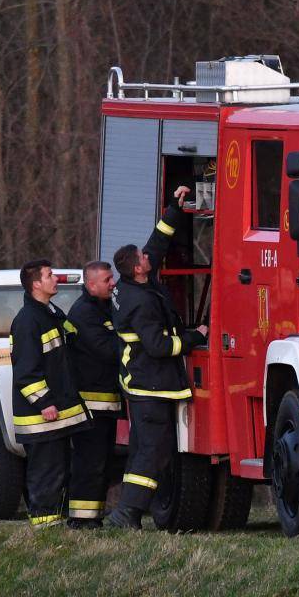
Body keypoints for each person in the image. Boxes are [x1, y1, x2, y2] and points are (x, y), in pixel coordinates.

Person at [106, 187, 207, 530]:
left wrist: (173, 210)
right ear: (137, 269)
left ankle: (127, 511)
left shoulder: (130, 284)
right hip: (151, 387)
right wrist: (196, 337)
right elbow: (160, 346)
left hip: (142, 385)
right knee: (153, 453)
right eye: (143, 258)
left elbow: (156, 244)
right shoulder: (141, 303)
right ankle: (127, 512)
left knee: (143, 451)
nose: (148, 258)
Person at [9, 259, 87, 528]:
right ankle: (44, 524)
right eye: (50, 275)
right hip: (40, 417)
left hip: (56, 413)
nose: (56, 278)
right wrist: (44, 403)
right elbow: (25, 372)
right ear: (36, 284)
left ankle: (55, 521)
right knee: (45, 470)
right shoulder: (27, 321)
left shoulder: (50, 314)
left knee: (59, 468)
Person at [64, 260, 122, 528]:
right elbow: (107, 350)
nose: (113, 283)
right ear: (91, 284)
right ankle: (80, 520)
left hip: (105, 404)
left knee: (102, 463)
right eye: (107, 279)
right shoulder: (84, 313)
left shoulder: (103, 308)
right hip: (90, 405)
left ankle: (92, 519)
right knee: (90, 463)